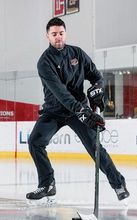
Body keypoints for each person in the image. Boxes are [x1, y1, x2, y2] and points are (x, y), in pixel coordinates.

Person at [26, 17, 129, 201]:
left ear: (65, 33)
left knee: (95, 147)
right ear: (47, 36)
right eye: (54, 34)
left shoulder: (77, 54)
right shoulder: (44, 62)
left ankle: (118, 184)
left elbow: (96, 75)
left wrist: (98, 88)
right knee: (35, 141)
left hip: (78, 108)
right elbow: (60, 93)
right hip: (54, 111)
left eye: (61, 33)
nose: (58, 37)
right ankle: (47, 184)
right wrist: (83, 112)